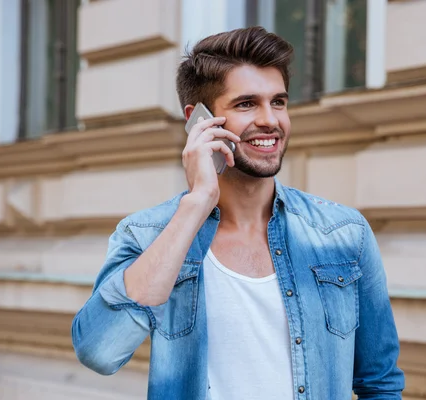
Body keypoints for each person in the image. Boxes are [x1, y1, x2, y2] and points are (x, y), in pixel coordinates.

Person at [71, 26, 404, 400]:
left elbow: (380, 383)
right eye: (247, 104)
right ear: (199, 120)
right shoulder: (148, 234)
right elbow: (99, 352)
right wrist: (196, 204)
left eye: (278, 102)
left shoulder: (343, 233)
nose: (270, 120)